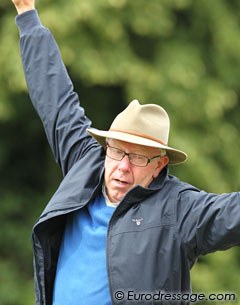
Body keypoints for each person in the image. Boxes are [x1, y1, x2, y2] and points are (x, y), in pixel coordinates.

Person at [11, 1, 240, 305]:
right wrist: (27, 15)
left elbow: (231, 214)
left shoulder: (178, 208)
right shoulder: (86, 164)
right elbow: (55, 100)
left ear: (159, 166)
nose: (122, 167)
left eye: (138, 159)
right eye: (117, 152)